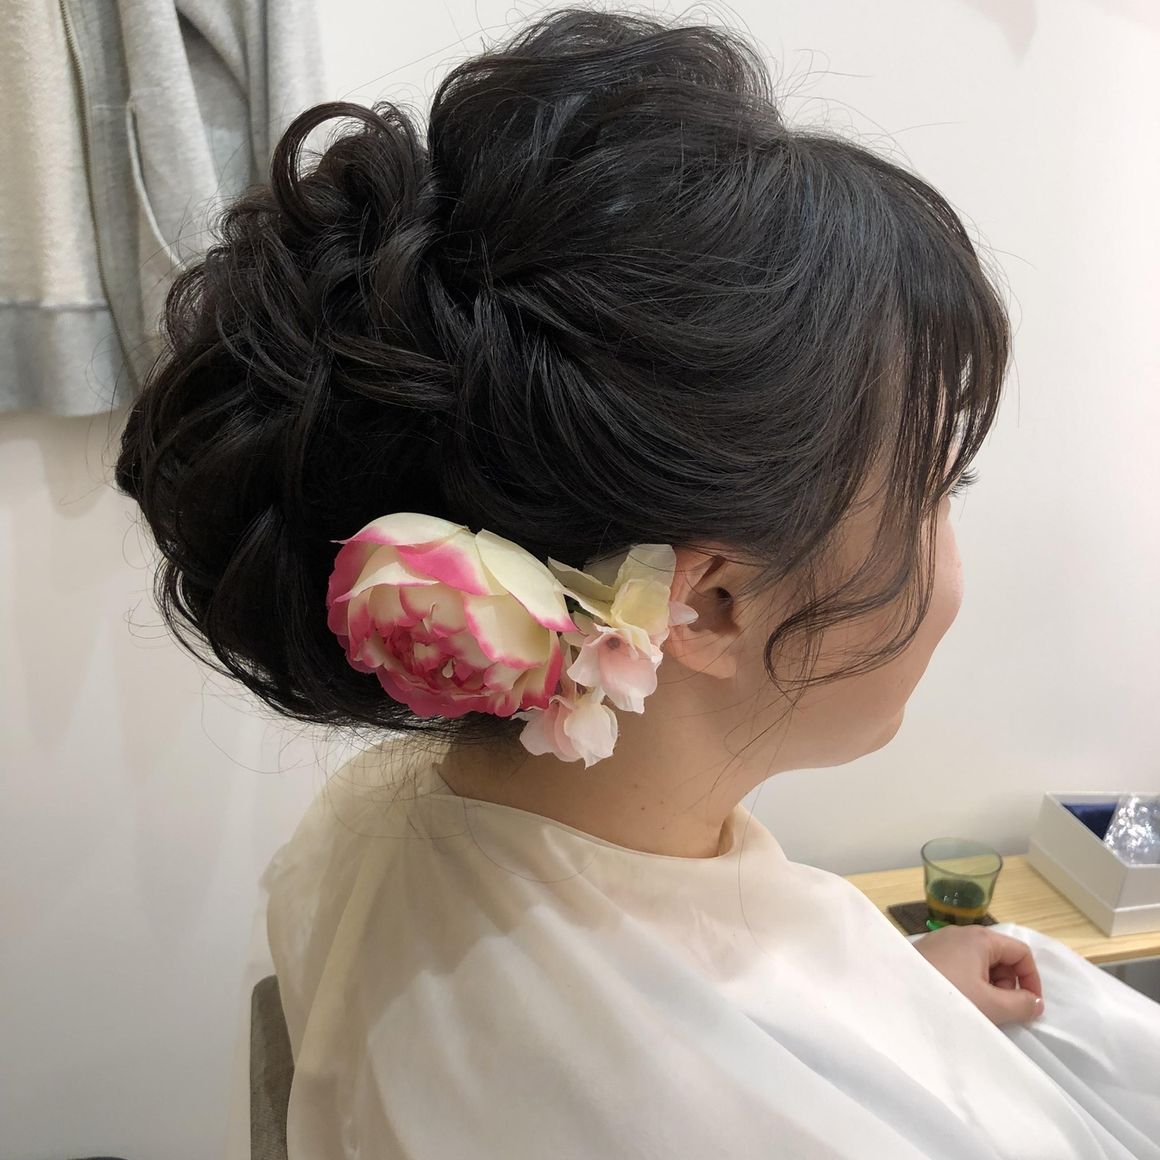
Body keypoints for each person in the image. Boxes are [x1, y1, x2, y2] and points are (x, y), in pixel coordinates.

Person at [114, 9, 1160, 1158]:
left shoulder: (383, 818)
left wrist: (892, 996)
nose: (950, 550)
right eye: (938, 486)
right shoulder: (715, 1112)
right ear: (708, 602)